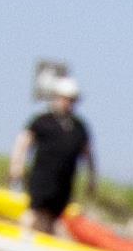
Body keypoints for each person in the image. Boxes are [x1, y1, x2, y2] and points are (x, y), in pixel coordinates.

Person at [16, 58, 95, 234]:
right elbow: (24, 142)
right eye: (66, 99)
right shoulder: (43, 121)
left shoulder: (79, 127)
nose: (69, 103)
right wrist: (17, 166)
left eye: (72, 100)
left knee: (53, 218)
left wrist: (91, 179)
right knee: (35, 213)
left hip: (64, 182)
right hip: (42, 178)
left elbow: (88, 153)